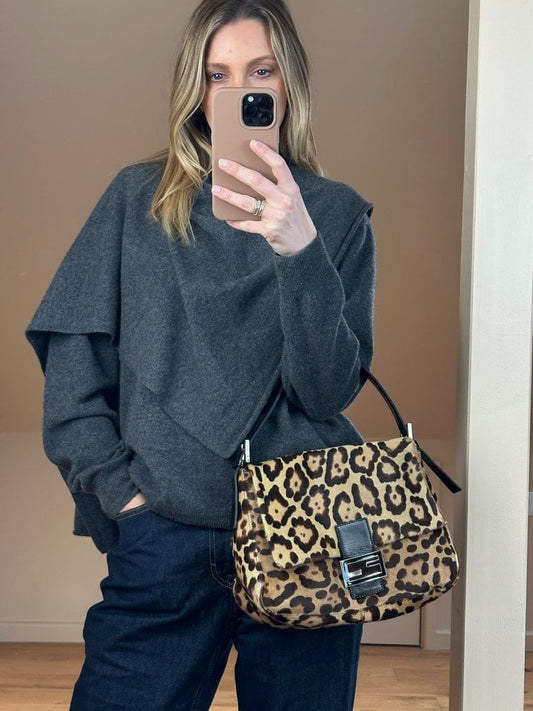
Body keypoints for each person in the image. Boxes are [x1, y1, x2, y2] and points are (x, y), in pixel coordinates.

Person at [26, 0, 376, 709]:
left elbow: (325, 390)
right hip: (163, 532)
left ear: (288, 83)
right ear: (196, 90)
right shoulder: (136, 200)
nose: (239, 91)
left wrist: (300, 250)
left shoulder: (335, 215)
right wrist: (122, 498)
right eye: (218, 75)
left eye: (260, 71)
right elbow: (73, 370)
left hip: (307, 530)